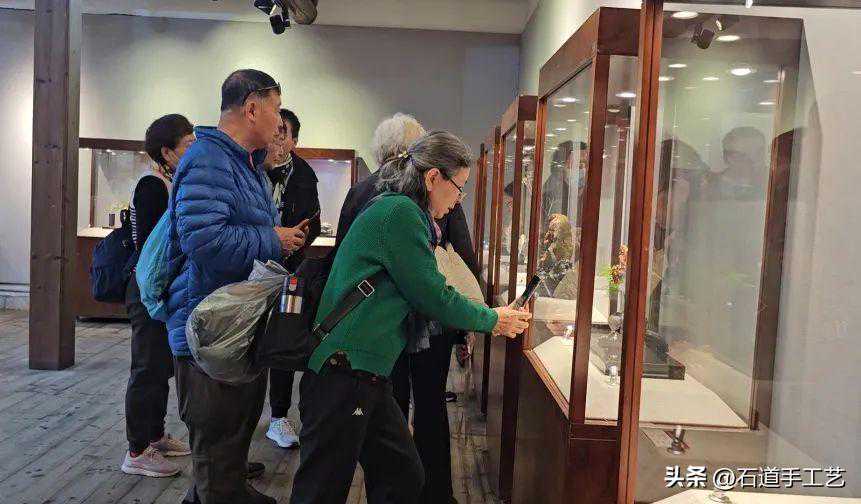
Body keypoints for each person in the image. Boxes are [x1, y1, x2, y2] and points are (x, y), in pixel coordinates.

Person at [289, 130, 532, 504]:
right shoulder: (401, 214)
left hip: (365, 373)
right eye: (459, 188)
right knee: (323, 489)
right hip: (345, 371)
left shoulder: (401, 210)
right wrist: (492, 319)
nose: (458, 200)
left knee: (401, 474)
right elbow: (432, 295)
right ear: (433, 177)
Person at [165, 69, 300, 504]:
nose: (280, 122)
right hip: (209, 331)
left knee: (229, 443)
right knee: (217, 442)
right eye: (277, 110)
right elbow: (204, 241)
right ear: (252, 108)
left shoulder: (243, 163)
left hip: (232, 326)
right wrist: (272, 239)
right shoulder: (209, 160)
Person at [336, 113, 480, 504]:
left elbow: (344, 260)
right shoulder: (413, 203)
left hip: (379, 328)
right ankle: (436, 493)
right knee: (429, 404)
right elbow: (461, 258)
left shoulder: (363, 192)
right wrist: (474, 322)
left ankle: (389, 492)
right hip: (426, 321)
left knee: (386, 409)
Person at [120, 114, 194, 478]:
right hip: (147, 289)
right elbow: (153, 249)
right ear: (167, 152)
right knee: (147, 368)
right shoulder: (153, 186)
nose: (194, 150)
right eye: (188, 145)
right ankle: (136, 450)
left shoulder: (171, 181)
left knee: (160, 366)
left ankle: (156, 435)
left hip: (160, 289)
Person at [262, 108, 321, 449]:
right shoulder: (253, 167)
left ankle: (279, 415)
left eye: (282, 132)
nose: (277, 137)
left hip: (289, 269)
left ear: (293, 139)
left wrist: (294, 241)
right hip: (250, 265)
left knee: (284, 339)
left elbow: (313, 221)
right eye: (273, 129)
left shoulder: (304, 174)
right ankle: (243, 414)